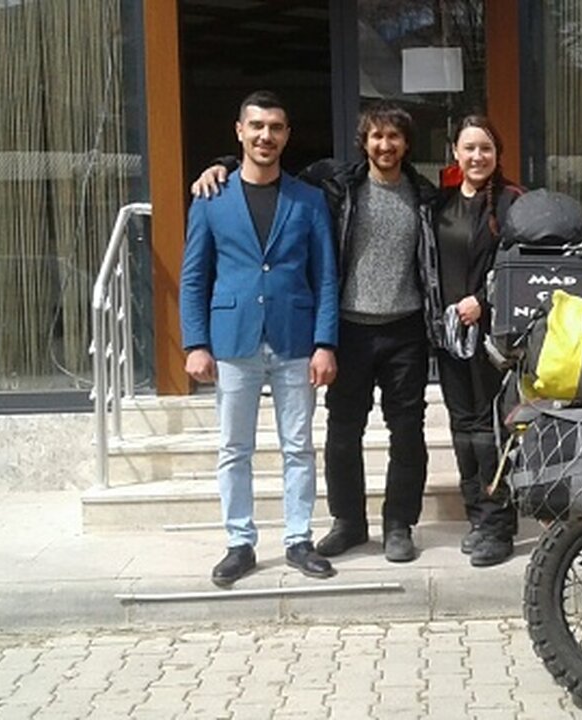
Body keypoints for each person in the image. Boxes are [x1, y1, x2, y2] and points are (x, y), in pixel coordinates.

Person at [191, 102, 442, 563]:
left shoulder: (426, 195)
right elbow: (263, 166)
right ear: (364, 142)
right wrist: (221, 164)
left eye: (394, 137)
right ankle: (348, 523)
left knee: (407, 432)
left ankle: (398, 525)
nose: (385, 145)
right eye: (376, 136)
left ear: (407, 144)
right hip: (349, 327)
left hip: (405, 328)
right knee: (342, 431)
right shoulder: (335, 185)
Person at [180, 90, 340, 586]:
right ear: (240, 131)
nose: (265, 136)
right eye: (257, 126)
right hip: (234, 340)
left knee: (299, 447)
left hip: (295, 339)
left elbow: (326, 276)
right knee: (234, 448)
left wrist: (325, 342)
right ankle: (239, 543)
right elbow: (194, 277)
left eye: (275, 127)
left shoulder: (308, 200)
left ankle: (298, 539)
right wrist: (195, 343)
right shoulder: (211, 199)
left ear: (287, 135)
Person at [432, 115, 523, 567]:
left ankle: (499, 524)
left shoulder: (512, 204)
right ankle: (478, 518)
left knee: (491, 430)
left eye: (485, 148)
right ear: (455, 153)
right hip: (451, 338)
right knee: (462, 428)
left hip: (494, 340)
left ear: (496, 153)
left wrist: (483, 302)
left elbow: (523, 267)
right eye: (468, 148)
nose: (477, 156)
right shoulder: (441, 204)